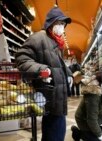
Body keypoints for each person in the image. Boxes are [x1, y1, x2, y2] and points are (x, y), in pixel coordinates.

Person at [16, 6, 72, 141]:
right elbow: (22, 59)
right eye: (59, 23)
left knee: (55, 130)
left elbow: (58, 64)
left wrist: (68, 73)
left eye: (63, 24)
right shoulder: (38, 38)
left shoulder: (54, 41)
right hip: (49, 96)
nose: (62, 27)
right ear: (50, 23)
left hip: (56, 97)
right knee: (55, 133)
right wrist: (41, 69)